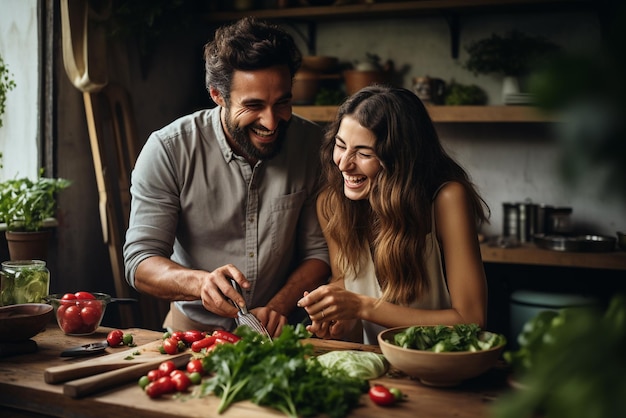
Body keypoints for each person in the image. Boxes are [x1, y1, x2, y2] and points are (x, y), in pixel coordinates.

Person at [123, 17, 330, 336]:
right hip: (193, 333)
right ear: (218, 95)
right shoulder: (168, 150)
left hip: (281, 332)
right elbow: (140, 262)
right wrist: (200, 283)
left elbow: (318, 253)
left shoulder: (313, 147)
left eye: (283, 102)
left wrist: (278, 306)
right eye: (254, 105)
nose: (272, 122)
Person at [297, 85, 489, 344]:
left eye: (364, 153)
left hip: (438, 365)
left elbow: (471, 319)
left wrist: (364, 307)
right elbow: (346, 283)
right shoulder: (331, 204)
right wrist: (340, 321)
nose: (343, 163)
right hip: (375, 367)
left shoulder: (446, 200)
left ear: (400, 160)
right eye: (340, 145)